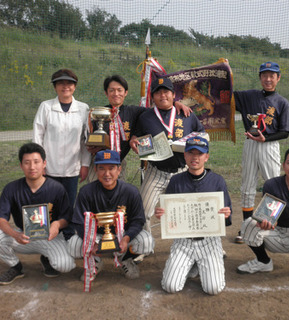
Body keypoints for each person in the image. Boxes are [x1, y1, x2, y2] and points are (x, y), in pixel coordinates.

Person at [155, 136, 232, 295]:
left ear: (207, 156)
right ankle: (192, 263)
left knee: (213, 289)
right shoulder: (176, 181)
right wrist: (162, 214)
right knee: (170, 286)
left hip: (209, 242)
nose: (195, 157)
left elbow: (226, 219)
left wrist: (225, 214)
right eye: (191, 153)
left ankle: (201, 263)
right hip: (184, 242)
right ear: (185, 155)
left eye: (200, 153)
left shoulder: (217, 181)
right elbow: (169, 215)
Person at [130, 77, 205, 232]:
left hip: (182, 171)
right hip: (155, 172)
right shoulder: (145, 117)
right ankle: (144, 246)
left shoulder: (187, 114)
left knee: (194, 210)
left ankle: (201, 244)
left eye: (166, 92)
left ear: (173, 95)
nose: (162, 96)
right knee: (142, 213)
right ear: (153, 97)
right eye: (158, 93)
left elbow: (202, 135)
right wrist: (134, 141)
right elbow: (137, 136)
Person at [68, 149, 154, 280]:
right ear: (95, 170)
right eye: (101, 168)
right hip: (96, 236)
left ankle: (125, 259)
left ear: (119, 170)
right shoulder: (86, 192)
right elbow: (79, 222)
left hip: (122, 235)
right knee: (72, 245)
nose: (106, 173)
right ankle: (95, 262)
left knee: (147, 241)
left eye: (111, 168)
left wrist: (126, 239)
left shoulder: (131, 192)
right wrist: (92, 243)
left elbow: (138, 220)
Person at [86, 74, 191, 182]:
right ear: (106, 93)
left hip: (118, 163)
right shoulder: (99, 114)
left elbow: (158, 109)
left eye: (119, 90)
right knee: (95, 195)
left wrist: (174, 103)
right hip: (99, 163)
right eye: (111, 90)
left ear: (125, 92)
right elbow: (89, 139)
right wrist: (92, 146)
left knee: (117, 195)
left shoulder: (134, 112)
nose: (116, 94)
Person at [233, 61, 289, 243]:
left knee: (273, 185)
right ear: (260, 77)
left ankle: (272, 223)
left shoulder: (282, 102)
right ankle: (246, 227)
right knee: (247, 186)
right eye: (264, 75)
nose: (268, 79)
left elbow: (285, 132)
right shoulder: (248, 96)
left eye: (272, 76)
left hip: (269, 145)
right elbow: (226, 95)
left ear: (278, 78)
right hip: (250, 144)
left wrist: (265, 139)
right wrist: (226, 71)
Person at [237, 145, 289, 275]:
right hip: (276, 235)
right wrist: (266, 222)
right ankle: (263, 261)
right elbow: (269, 216)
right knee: (248, 224)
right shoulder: (272, 184)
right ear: (283, 165)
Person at [0, 143, 75, 285]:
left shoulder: (57, 188)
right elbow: (1, 219)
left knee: (66, 265)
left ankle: (46, 258)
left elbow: (66, 217)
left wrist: (57, 224)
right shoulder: (11, 188)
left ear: (44, 164)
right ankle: (16, 267)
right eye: (27, 163)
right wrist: (15, 234)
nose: (32, 167)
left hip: (50, 237)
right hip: (23, 236)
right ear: (21, 165)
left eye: (36, 162)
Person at [33, 69, 91, 207]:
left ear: (75, 86)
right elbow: (37, 135)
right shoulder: (46, 107)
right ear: (55, 87)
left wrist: (85, 164)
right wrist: (39, 163)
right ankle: (52, 229)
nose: (65, 86)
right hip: (49, 166)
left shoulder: (84, 109)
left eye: (69, 83)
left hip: (73, 167)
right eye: (61, 83)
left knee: (69, 203)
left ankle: (69, 229)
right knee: (50, 204)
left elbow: (86, 140)